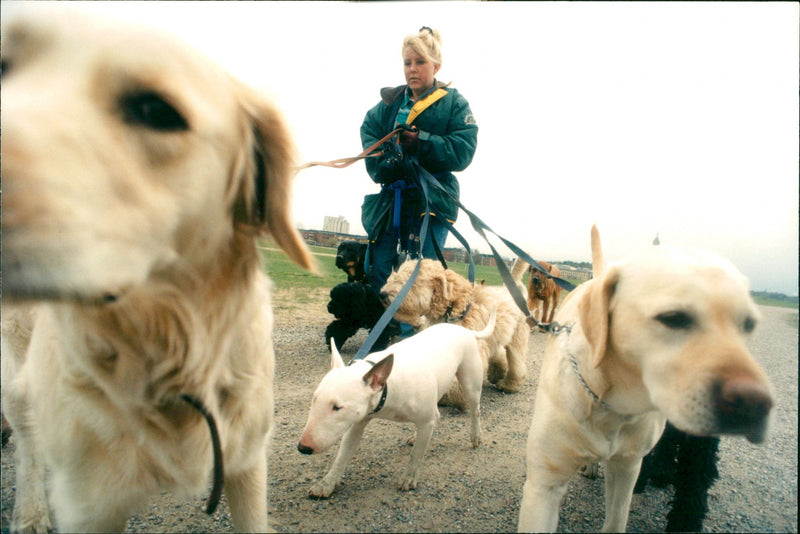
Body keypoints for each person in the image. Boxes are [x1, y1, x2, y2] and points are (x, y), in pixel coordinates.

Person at [360, 26, 478, 298]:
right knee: (378, 267)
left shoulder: (454, 103)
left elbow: (464, 149)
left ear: (436, 66)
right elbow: (369, 131)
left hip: (433, 198)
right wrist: (385, 157)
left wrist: (421, 141)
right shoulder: (389, 104)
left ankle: (415, 335)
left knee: (423, 274)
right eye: (407, 62)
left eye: (420, 62)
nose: (412, 69)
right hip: (392, 199)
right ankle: (385, 332)